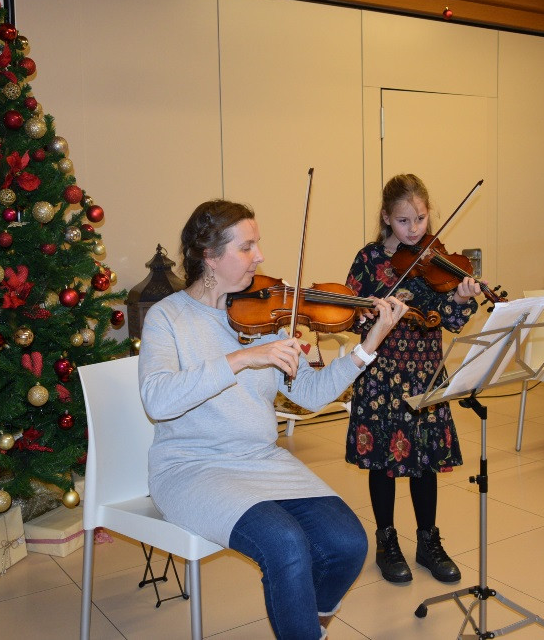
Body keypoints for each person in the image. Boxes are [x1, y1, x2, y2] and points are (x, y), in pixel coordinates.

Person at [138, 199, 409, 639]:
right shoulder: (167, 317)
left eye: (257, 244)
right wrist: (243, 358)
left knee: (348, 543)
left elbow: (310, 393)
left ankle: (307, 628)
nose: (260, 256)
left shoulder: (263, 313)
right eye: (246, 247)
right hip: (191, 467)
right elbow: (158, 400)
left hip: (260, 459)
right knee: (286, 545)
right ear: (209, 256)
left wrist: (368, 346)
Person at [344, 173, 482, 584]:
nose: (414, 229)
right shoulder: (369, 259)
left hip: (425, 372)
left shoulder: (435, 258)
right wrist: (368, 312)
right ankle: (386, 540)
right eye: (404, 221)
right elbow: (351, 317)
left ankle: (428, 541)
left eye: (420, 219)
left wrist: (460, 298)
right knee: (382, 463)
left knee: (425, 462)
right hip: (382, 374)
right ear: (387, 218)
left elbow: (450, 321)